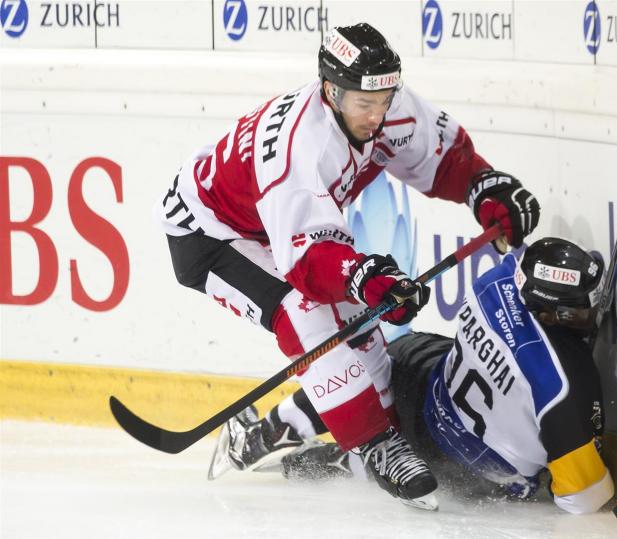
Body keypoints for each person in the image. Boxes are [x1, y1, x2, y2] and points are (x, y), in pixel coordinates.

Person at [156, 22, 540, 510]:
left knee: (360, 327)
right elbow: (308, 267)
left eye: (384, 101)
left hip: (273, 223)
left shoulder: (383, 103)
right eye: (364, 104)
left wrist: (484, 187)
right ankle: (376, 445)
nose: (377, 116)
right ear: (331, 92)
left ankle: (286, 435)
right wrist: (364, 278)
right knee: (304, 315)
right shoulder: (300, 150)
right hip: (210, 233)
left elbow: (443, 158)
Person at [223, 237, 615, 515]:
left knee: (368, 367)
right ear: (549, 313)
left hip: (426, 394)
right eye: (580, 311)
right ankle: (340, 464)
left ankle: (266, 434)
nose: (590, 317)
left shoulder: (498, 281)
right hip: (470, 474)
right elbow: (585, 499)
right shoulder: (565, 384)